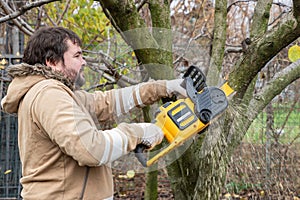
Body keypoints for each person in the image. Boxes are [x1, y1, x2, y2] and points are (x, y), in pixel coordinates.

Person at [1, 26, 185, 199]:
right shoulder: (49, 95)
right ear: (52, 62)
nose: (84, 61)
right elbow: (91, 149)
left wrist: (164, 87)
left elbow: (108, 102)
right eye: (77, 56)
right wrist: (140, 133)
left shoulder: (58, 94)